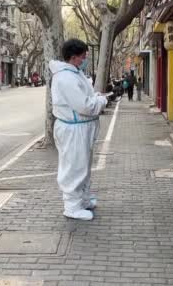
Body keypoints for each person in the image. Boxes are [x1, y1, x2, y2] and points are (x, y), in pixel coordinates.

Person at [50, 39, 108, 221]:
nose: (86, 59)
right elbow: (84, 105)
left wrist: (96, 97)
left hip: (80, 128)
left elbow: (85, 97)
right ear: (74, 57)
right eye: (83, 56)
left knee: (82, 166)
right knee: (74, 167)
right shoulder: (66, 78)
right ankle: (72, 206)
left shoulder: (75, 73)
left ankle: (82, 199)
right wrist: (100, 101)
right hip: (73, 130)